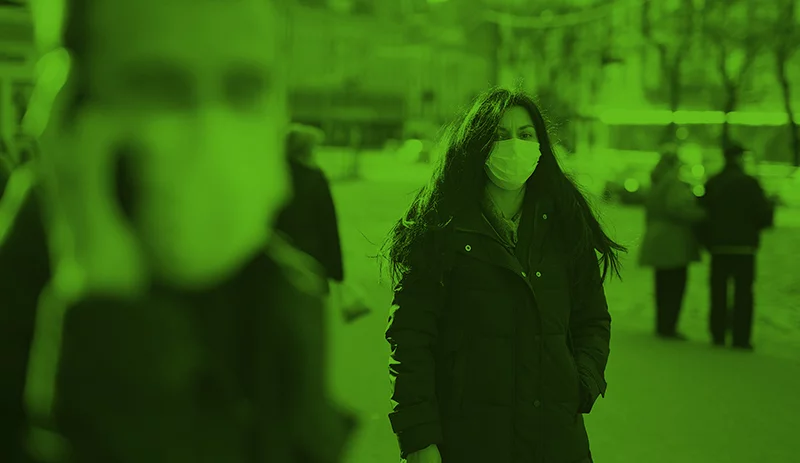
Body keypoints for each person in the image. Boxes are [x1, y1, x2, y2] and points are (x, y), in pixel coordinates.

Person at [1, 0, 355, 462]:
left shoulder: (283, 292)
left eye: (244, 86)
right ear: (69, 109)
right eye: (161, 86)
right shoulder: (16, 305)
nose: (209, 124)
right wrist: (103, 305)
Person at [381, 88, 627, 463]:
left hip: (556, 439)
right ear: (475, 145)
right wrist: (419, 436)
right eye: (499, 135)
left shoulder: (563, 222)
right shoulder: (440, 228)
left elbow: (592, 317)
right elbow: (411, 339)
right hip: (470, 437)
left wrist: (581, 383)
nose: (514, 146)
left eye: (526, 135)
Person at [275, 124, 371, 323]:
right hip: (312, 262)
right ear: (306, 150)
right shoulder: (315, 178)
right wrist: (337, 272)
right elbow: (328, 225)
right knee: (306, 321)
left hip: (278, 259)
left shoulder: (273, 176)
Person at [697, 143, 775, 351]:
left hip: (719, 247)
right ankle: (741, 337)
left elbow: (702, 215)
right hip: (744, 247)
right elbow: (764, 216)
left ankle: (718, 333)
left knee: (718, 291)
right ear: (740, 158)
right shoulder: (750, 183)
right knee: (744, 293)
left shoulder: (714, 182)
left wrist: (708, 241)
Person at [638, 150, 706, 340]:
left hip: (656, 238)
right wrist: (701, 215)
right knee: (675, 285)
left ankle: (662, 324)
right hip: (673, 241)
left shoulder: (656, 182)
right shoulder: (673, 182)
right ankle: (669, 327)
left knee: (662, 285)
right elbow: (676, 208)